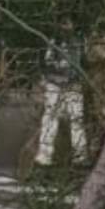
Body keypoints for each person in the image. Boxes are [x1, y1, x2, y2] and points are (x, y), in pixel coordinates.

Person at [35, 29, 87, 166]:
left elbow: (84, 61)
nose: (66, 26)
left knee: (77, 119)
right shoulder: (49, 39)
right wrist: (46, 79)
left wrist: (78, 78)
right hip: (54, 83)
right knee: (50, 118)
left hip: (73, 83)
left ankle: (80, 156)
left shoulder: (80, 39)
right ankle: (44, 156)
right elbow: (43, 62)